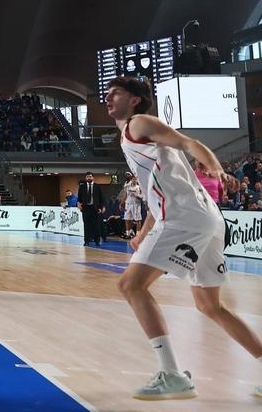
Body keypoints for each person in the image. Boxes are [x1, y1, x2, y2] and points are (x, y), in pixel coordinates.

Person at [107, 76, 260, 401]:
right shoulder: (131, 138)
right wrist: (144, 233)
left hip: (185, 218)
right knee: (210, 306)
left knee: (131, 285)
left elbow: (190, 143)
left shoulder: (140, 122)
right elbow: (156, 191)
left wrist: (216, 168)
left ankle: (172, 374)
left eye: (115, 92)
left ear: (134, 99)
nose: (107, 98)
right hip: (203, 219)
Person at [77, 172, 104, 246]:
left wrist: (101, 207)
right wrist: (79, 204)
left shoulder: (97, 186)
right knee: (86, 225)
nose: (89, 178)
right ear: (86, 178)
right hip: (86, 208)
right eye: (88, 177)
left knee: (96, 225)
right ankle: (87, 241)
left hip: (95, 208)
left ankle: (97, 241)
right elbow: (79, 198)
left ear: (93, 178)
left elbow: (101, 198)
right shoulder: (82, 187)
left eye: (90, 176)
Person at [122, 173, 144, 239]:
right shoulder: (127, 186)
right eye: (133, 179)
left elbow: (143, 197)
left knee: (138, 220)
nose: (134, 180)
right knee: (127, 219)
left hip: (136, 204)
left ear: (137, 180)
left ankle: (138, 235)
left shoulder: (139, 187)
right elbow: (125, 195)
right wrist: (122, 203)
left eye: (135, 179)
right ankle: (128, 234)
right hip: (128, 204)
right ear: (131, 180)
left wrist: (137, 195)